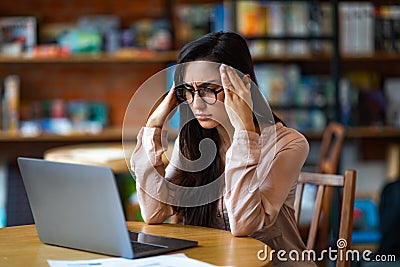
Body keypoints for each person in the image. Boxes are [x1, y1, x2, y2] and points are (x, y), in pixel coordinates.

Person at [131, 31, 313, 266]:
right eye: (188, 91)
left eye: (208, 90)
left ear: (242, 84)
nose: (196, 104)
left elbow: (243, 225)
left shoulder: (288, 144)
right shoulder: (193, 142)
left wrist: (245, 132)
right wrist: (154, 124)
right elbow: (154, 213)